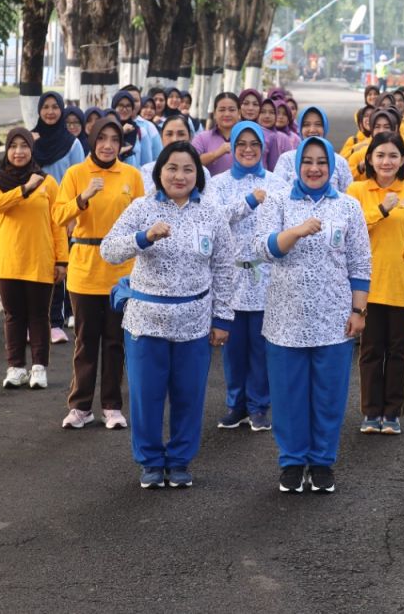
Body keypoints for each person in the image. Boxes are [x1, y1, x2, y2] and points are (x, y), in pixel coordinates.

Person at [100, 142, 235, 489]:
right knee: (146, 396)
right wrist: (144, 238)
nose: (180, 176)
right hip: (146, 322)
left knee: (189, 396)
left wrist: (222, 320)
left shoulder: (212, 213)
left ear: (199, 175)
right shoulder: (142, 208)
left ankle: (179, 461)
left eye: (188, 169)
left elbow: (223, 268)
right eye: (172, 168)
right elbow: (109, 250)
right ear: (159, 172)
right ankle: (149, 461)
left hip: (194, 321)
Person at [254, 136, 372, 494]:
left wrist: (359, 309)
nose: (316, 168)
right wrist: (296, 232)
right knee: (289, 394)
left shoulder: (348, 207)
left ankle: (321, 461)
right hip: (285, 317)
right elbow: (263, 247)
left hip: (334, 318)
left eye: (322, 161)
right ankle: (291, 461)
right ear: (298, 165)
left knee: (329, 394)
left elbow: (360, 261)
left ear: (332, 166)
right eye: (309, 161)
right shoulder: (277, 201)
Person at [54, 115, 146, 430]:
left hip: (121, 270)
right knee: (85, 341)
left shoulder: (131, 175)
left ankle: (111, 406)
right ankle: (80, 406)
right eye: (102, 139)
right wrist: (82, 198)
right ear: (92, 141)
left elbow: (143, 218)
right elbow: (58, 215)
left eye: (114, 140)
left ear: (121, 144)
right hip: (84, 267)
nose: (108, 146)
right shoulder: (76, 173)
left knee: (114, 342)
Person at [203, 122, 284, 431]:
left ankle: (259, 405)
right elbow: (214, 219)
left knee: (261, 345)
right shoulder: (218, 182)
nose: (248, 149)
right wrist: (249, 201)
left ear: (263, 148)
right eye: (242, 144)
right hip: (232, 276)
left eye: (254, 143)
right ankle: (235, 404)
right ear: (233, 147)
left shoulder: (277, 183)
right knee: (233, 345)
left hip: (266, 276)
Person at [347, 133, 404, 435]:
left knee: (398, 352)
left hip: (403, 284)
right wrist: (381, 210)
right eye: (380, 155)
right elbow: (350, 230)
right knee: (370, 351)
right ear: (370, 159)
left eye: (393, 155)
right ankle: (370, 411)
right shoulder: (356, 190)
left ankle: (392, 412)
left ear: (403, 159)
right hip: (368, 286)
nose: (386, 161)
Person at [0, 128, 68, 390]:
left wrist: (61, 261)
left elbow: (57, 224)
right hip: (8, 260)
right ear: (7, 150)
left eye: (24, 146)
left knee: (38, 316)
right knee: (13, 316)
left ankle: (38, 368)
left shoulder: (48, 183)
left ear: (32, 151)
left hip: (39, 259)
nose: (19, 151)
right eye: (14, 146)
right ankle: (15, 368)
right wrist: (25, 188)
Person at [31, 93, 86, 345]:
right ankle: (33, 322)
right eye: (45, 107)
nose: (50, 112)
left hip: (63, 215)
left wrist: (74, 216)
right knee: (35, 269)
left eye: (55, 107)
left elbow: (80, 180)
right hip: (34, 215)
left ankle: (55, 322)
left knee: (59, 268)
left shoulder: (72, 144)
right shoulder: (30, 140)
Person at [274, 106, 354, 190]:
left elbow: (349, 194)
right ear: (300, 129)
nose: (312, 130)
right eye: (306, 125)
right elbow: (276, 193)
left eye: (318, 124)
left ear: (325, 127)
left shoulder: (339, 161)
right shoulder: (287, 159)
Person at [191, 92, 241, 176]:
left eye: (232, 110)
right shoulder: (202, 138)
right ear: (214, 114)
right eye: (222, 110)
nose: (227, 114)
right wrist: (216, 154)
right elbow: (190, 162)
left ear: (239, 113)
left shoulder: (247, 138)